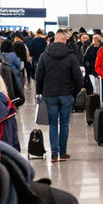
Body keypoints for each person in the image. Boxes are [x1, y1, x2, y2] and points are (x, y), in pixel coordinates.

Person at [35, 29, 84, 162]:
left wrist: (39, 92)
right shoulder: (70, 56)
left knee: (53, 124)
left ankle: (54, 153)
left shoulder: (44, 56)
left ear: (55, 39)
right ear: (64, 40)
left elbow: (39, 76)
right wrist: (74, 93)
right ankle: (63, 152)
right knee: (64, 123)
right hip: (66, 94)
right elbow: (79, 78)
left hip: (49, 94)